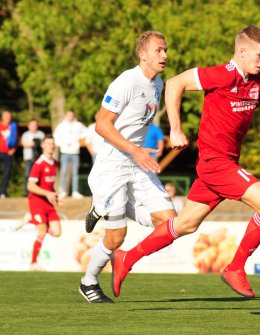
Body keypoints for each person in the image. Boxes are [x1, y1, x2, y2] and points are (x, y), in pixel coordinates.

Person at [110, 24, 260, 299]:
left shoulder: (257, 82)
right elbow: (175, 83)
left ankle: (127, 257)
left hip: (222, 165)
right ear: (242, 51)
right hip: (216, 163)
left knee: (185, 224)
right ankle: (235, 268)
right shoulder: (220, 75)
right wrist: (176, 128)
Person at [78, 31, 176, 304]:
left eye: (165, 50)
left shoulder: (158, 83)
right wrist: (134, 150)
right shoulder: (126, 82)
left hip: (137, 163)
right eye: (159, 50)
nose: (165, 55)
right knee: (116, 236)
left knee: (169, 222)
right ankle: (88, 283)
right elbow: (102, 124)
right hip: (112, 167)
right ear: (142, 54)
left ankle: (104, 207)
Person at [27, 135, 62, 271]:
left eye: (53, 143)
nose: (51, 146)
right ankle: (33, 263)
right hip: (36, 202)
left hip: (48, 203)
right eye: (48, 143)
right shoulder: (39, 164)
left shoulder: (55, 163)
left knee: (57, 232)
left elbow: (49, 186)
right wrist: (47, 194)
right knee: (41, 231)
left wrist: (56, 198)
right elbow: (30, 186)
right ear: (42, 145)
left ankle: (31, 219)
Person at [53, 110, 88, 199]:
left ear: (73, 116)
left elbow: (86, 132)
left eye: (71, 115)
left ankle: (75, 192)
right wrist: (61, 144)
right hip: (64, 152)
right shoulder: (61, 126)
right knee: (63, 172)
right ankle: (63, 191)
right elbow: (56, 136)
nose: (70, 117)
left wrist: (79, 140)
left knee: (75, 173)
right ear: (66, 116)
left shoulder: (78, 125)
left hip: (75, 152)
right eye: (68, 115)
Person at [21, 119, 46, 196]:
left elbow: (44, 145)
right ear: (29, 126)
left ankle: (39, 192)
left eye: (35, 125)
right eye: (32, 125)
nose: (33, 127)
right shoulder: (25, 134)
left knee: (39, 175)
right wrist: (34, 144)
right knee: (27, 174)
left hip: (39, 158)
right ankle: (26, 192)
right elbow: (24, 144)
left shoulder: (41, 134)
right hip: (29, 157)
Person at [0, 110, 18, 198]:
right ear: (3, 117)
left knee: (6, 173)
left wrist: (14, 149)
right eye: (7, 116)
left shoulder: (13, 127)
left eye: (10, 117)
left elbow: (16, 139)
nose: (8, 118)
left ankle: (3, 192)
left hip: (8, 154)